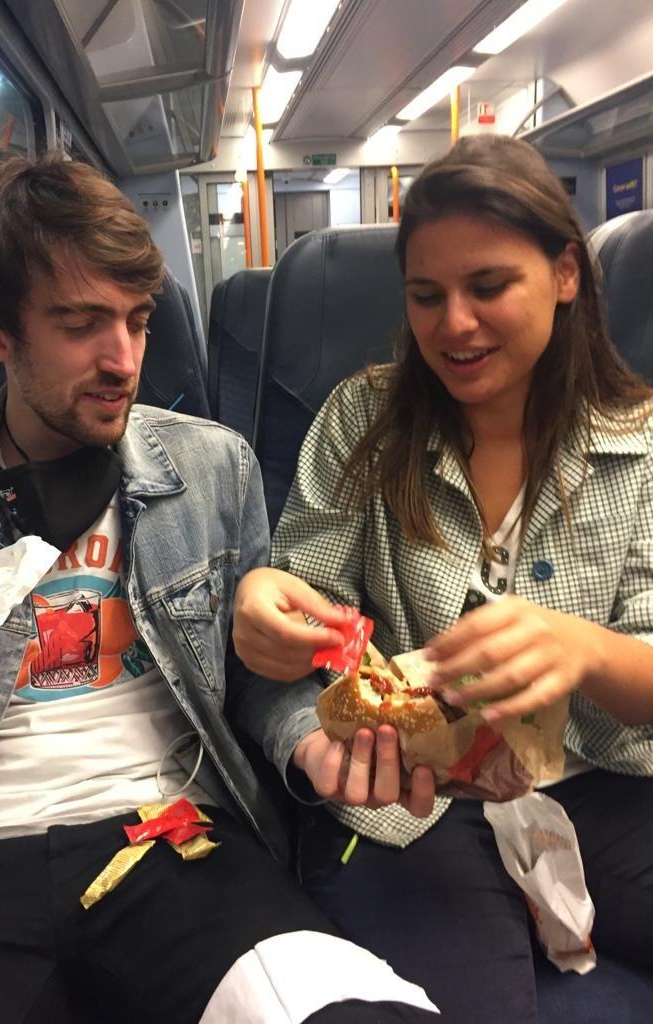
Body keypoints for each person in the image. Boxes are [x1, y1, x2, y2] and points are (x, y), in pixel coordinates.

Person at [0, 156, 440, 1024]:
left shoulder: (213, 465)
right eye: (81, 325)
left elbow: (255, 672)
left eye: (139, 322)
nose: (124, 360)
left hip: (174, 837)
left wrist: (309, 742)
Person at [232, 134, 653, 1023]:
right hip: (410, 806)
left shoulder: (644, 446)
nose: (452, 324)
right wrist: (268, 625)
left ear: (566, 273)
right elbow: (292, 629)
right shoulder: (362, 421)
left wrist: (583, 652)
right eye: (427, 296)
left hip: (612, 789)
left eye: (488, 287)